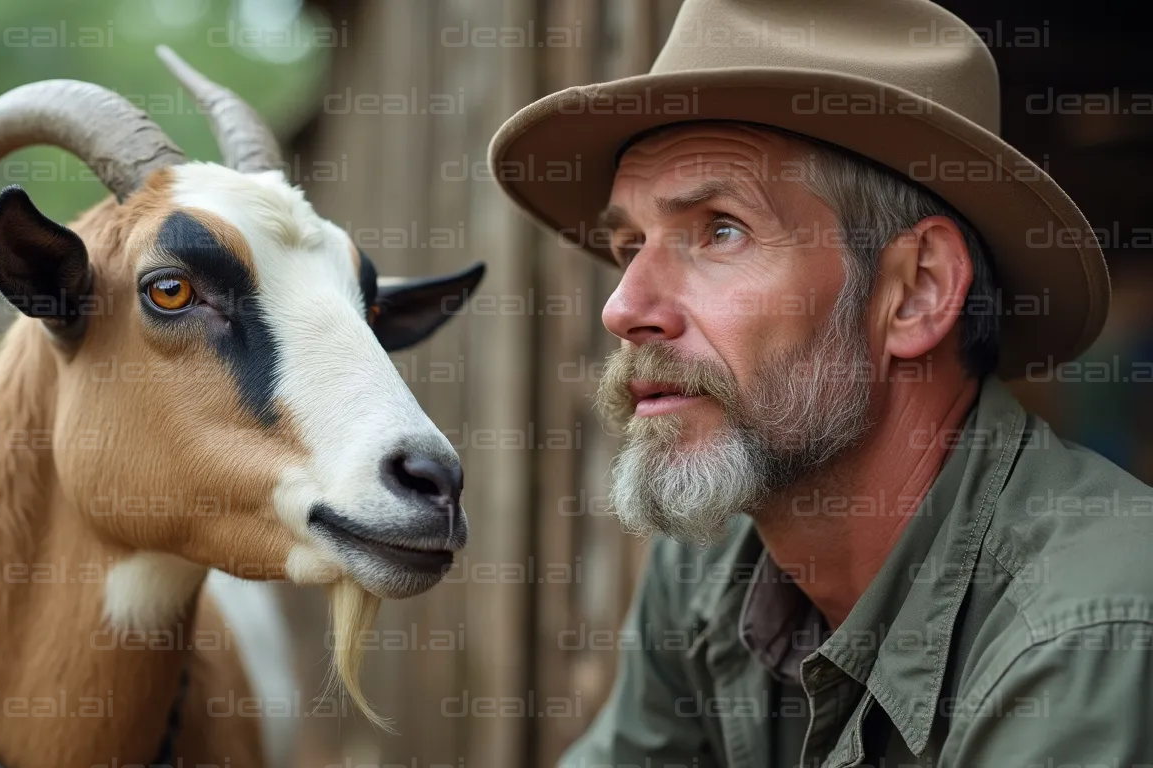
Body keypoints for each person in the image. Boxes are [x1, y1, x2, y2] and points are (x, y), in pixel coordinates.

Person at [489, 0, 1153, 764]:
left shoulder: (1089, 629)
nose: (623, 307)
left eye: (720, 228)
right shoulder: (716, 562)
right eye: (630, 243)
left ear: (916, 292)